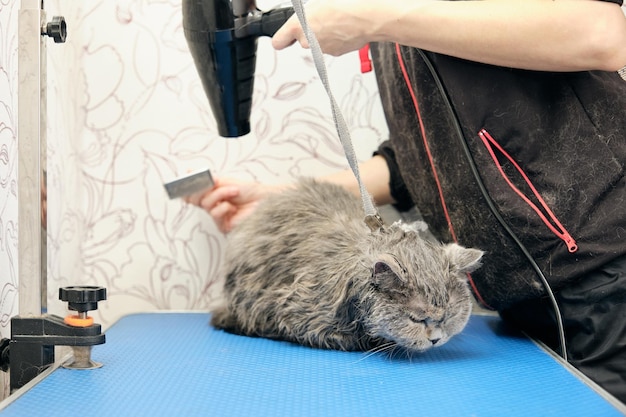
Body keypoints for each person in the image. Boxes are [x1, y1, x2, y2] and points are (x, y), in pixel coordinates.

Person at [187, 0, 626, 403]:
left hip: (602, 275)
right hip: (515, 305)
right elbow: (419, 162)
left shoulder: (385, 12)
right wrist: (278, 201)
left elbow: (604, 32)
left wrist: (374, 18)